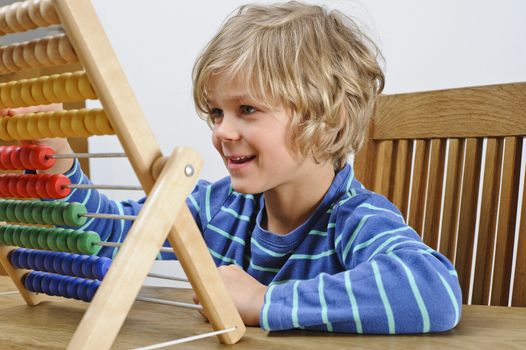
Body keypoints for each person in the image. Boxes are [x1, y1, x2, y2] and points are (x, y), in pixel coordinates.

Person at [9, 1, 461, 334]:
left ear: (328, 121)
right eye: (216, 112)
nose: (223, 131)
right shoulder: (216, 207)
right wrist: (57, 158)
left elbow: (433, 292)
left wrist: (266, 301)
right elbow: (108, 237)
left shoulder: (355, 218)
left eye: (247, 109)